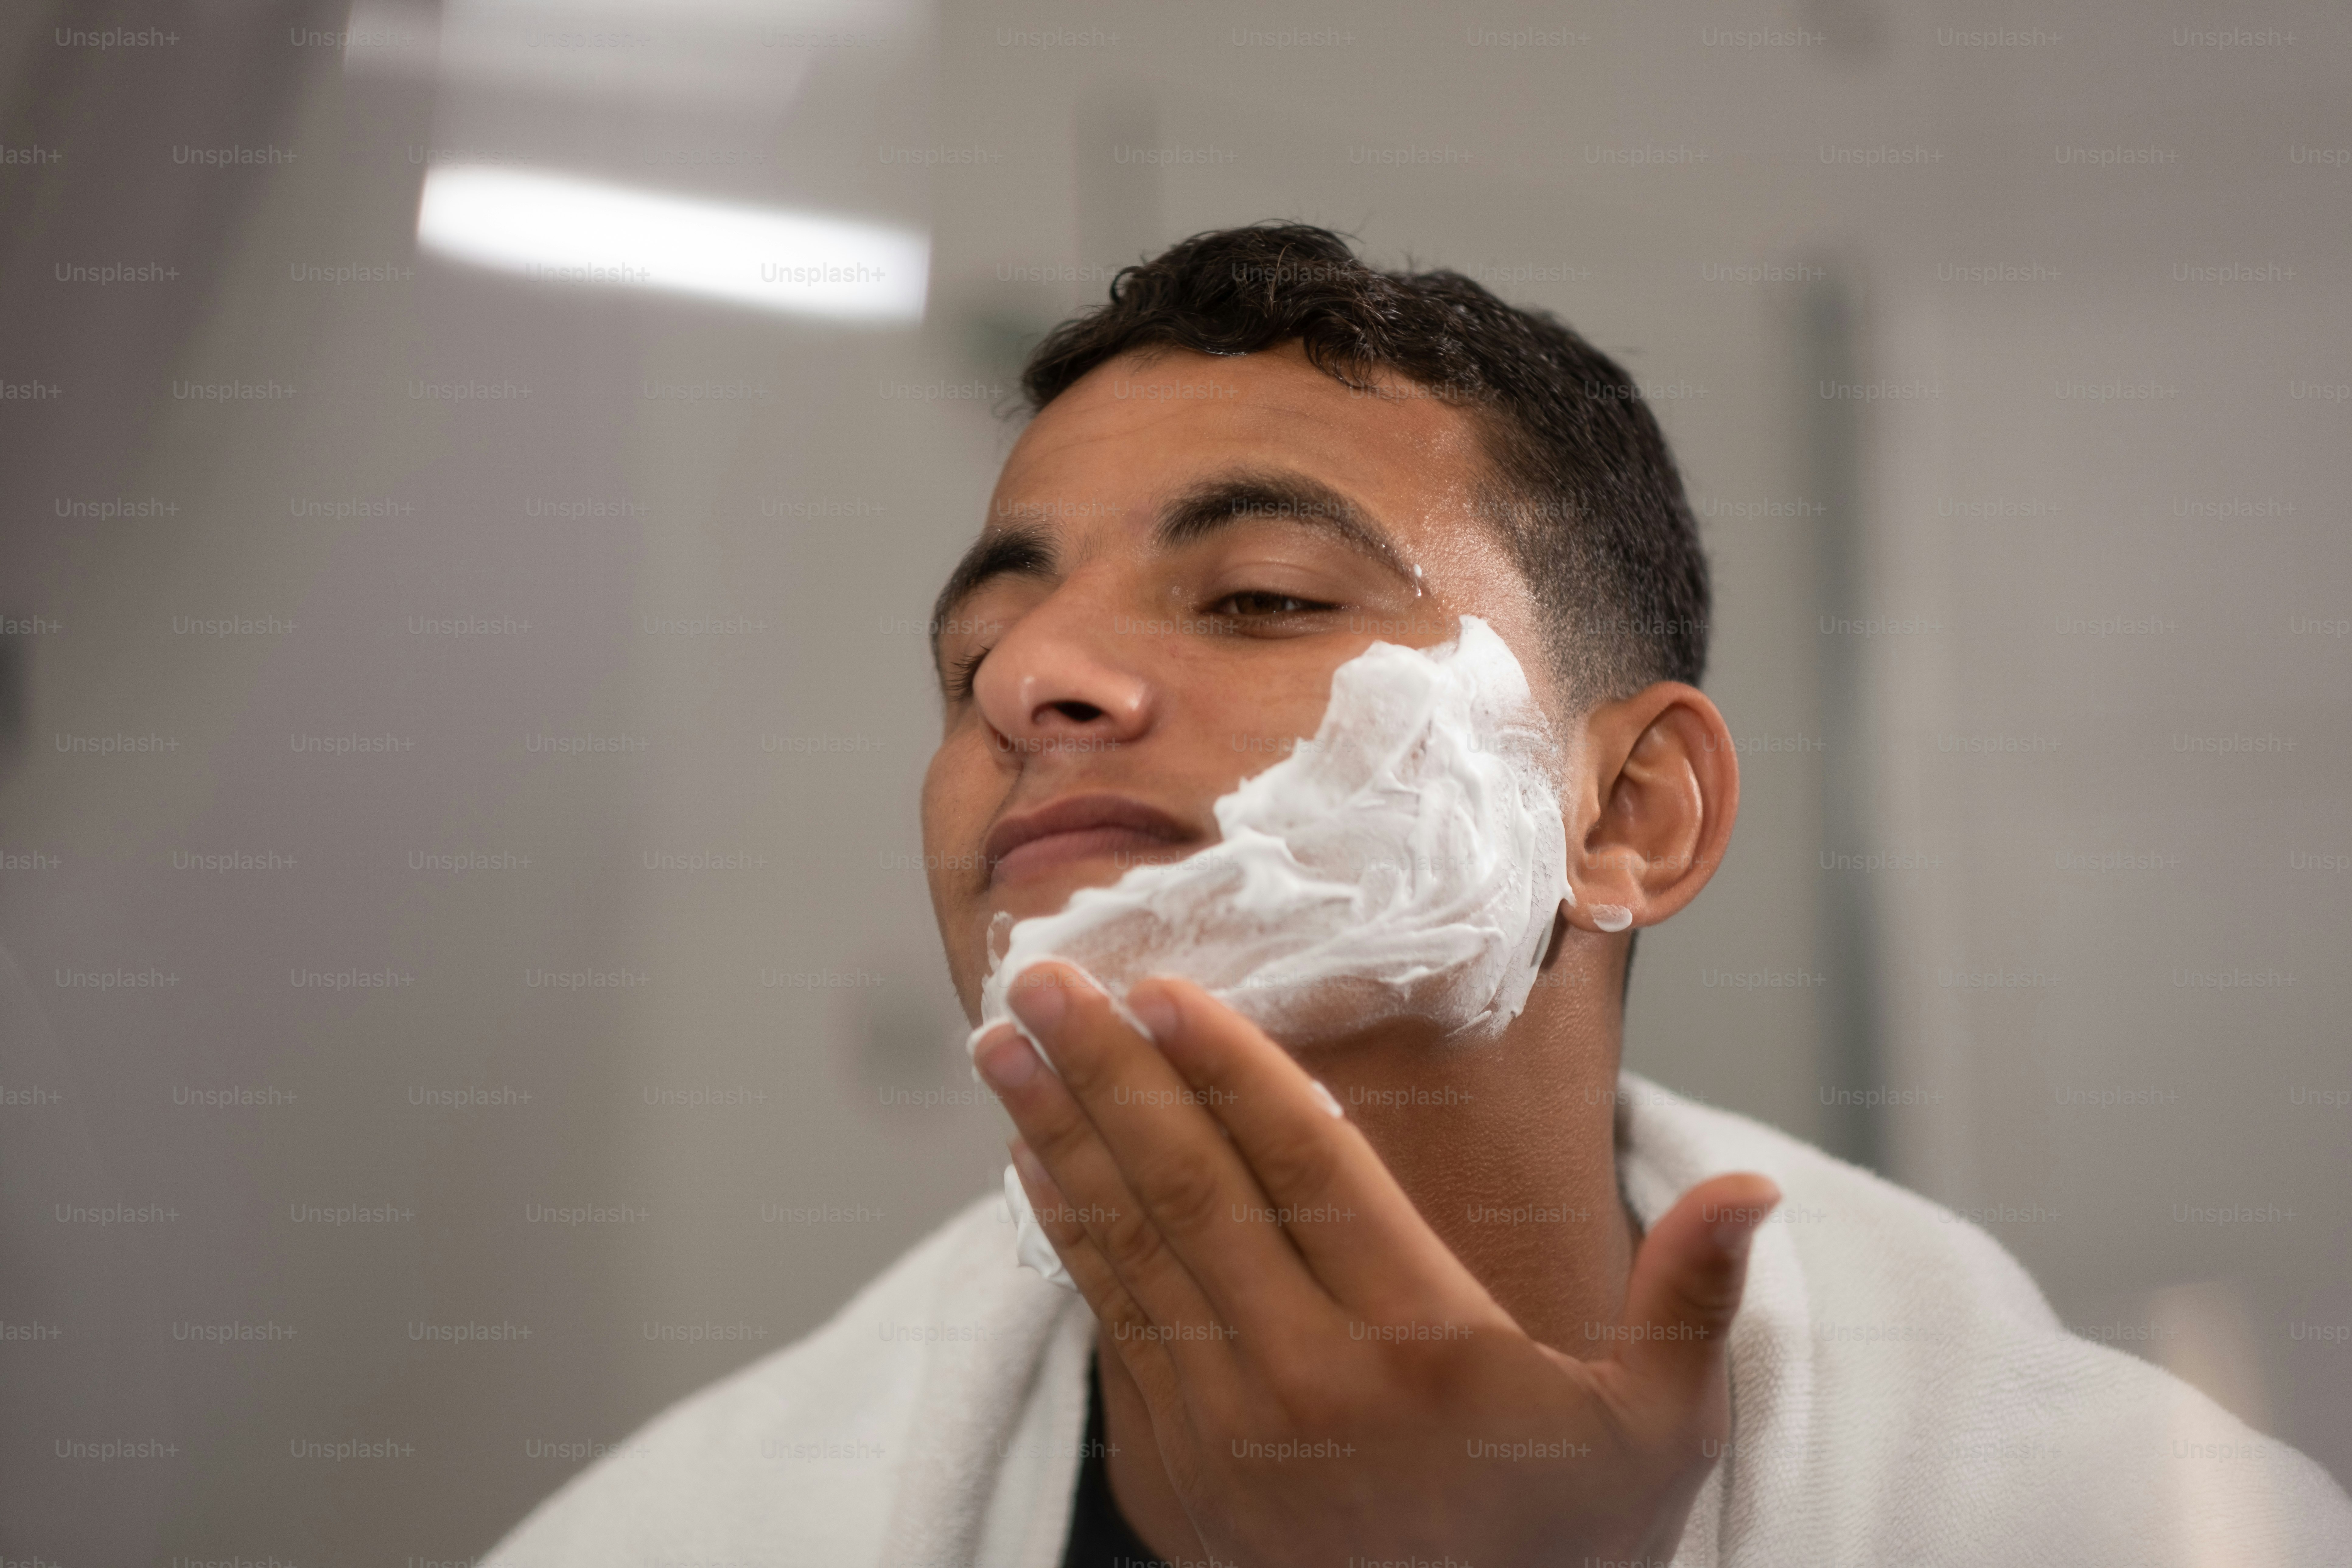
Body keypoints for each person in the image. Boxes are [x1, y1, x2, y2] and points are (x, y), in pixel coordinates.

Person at [485, 225, 2349, 1567]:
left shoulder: (2126, 1525)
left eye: (1266, 597)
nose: (1026, 681)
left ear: (1630, 814)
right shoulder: (683, 1529)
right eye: (982, 639)